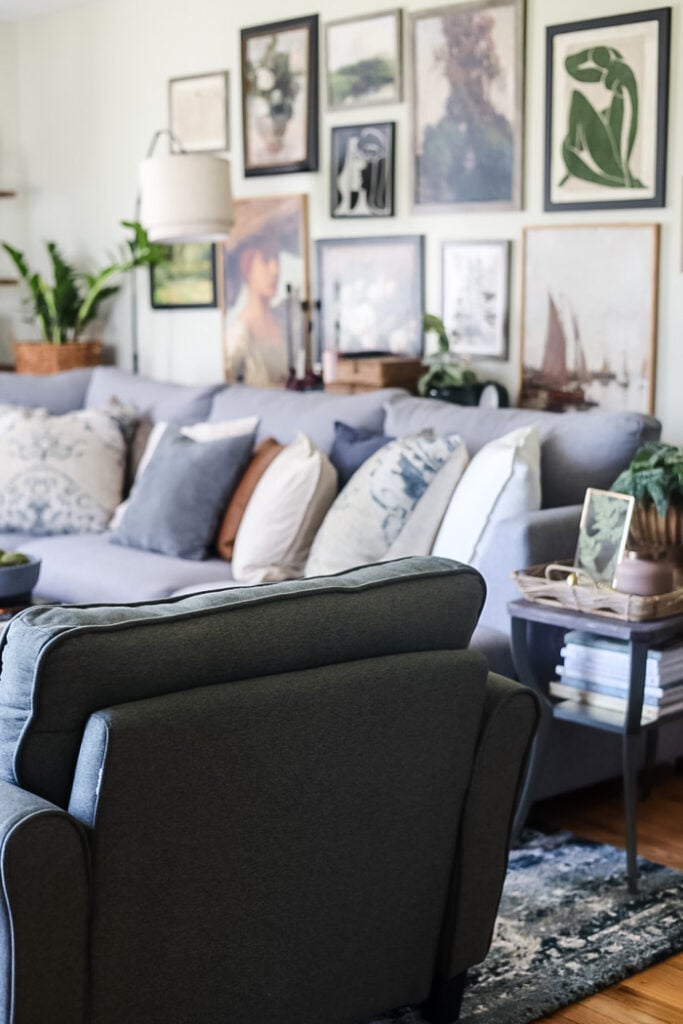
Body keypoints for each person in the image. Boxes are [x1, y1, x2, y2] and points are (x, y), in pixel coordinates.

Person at [224, 236, 290, 386]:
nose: (275, 270)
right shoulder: (239, 333)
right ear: (247, 267)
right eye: (266, 260)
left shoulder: (282, 319)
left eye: (277, 260)